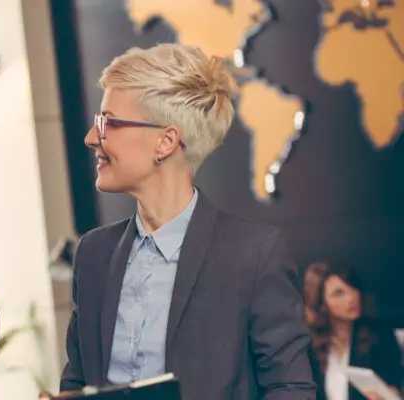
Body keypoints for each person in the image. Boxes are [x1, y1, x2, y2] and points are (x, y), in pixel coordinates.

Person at [50, 43, 316, 399]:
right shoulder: (94, 253)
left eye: (108, 122)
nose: (91, 137)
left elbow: (290, 388)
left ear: (166, 141)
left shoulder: (253, 253)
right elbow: (77, 382)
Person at [305, 261, 402, 400]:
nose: (351, 298)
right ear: (322, 304)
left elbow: (393, 386)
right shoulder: (309, 345)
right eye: (339, 293)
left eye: (352, 288)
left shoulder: (380, 337)